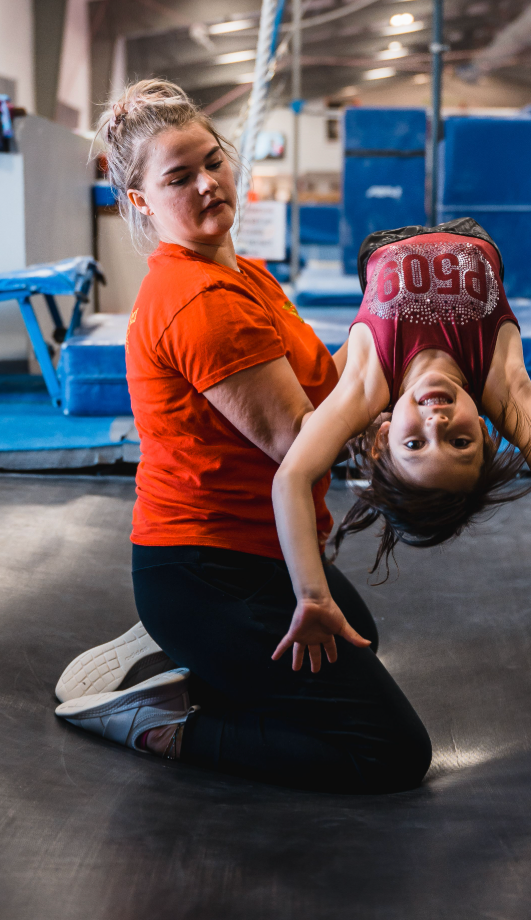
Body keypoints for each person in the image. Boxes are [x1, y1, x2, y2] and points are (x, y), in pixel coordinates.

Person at [54, 80, 432, 794]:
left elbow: (327, 387)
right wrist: (402, 443)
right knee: (389, 753)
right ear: (139, 201)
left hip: (259, 551)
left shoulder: (248, 273)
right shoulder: (199, 301)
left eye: (212, 161)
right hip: (206, 568)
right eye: (177, 177)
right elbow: (299, 438)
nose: (206, 184)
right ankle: (164, 725)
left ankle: (188, 655)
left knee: (358, 637)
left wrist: (403, 349)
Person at [270, 221, 531, 692]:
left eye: (414, 445)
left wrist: (312, 594)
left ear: (382, 439)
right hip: (470, 235)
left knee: (305, 412)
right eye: (460, 444)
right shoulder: (501, 383)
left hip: (387, 245)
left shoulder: (367, 385)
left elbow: (291, 478)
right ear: (484, 431)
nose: (437, 426)